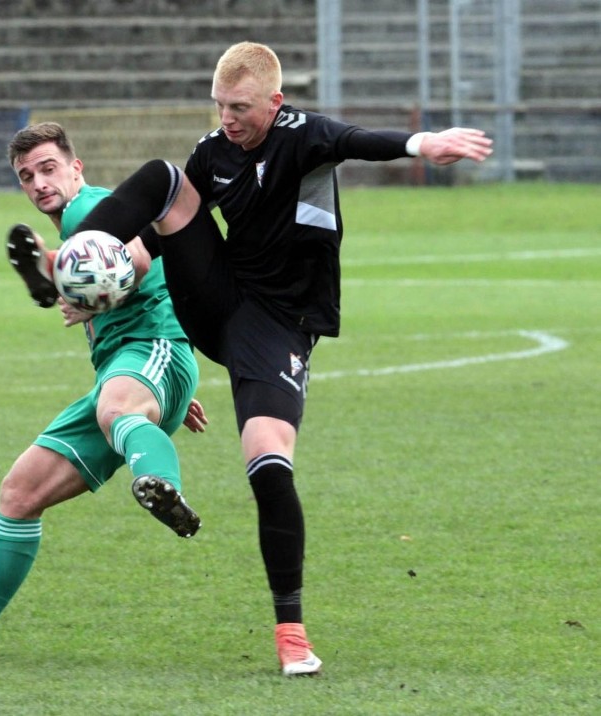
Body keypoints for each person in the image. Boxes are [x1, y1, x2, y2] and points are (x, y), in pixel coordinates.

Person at [67, 42, 494, 676]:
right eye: (219, 106)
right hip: (220, 303)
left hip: (281, 326)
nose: (227, 119)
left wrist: (421, 144)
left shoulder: (304, 136)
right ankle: (68, 263)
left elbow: (356, 138)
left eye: (239, 107)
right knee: (164, 179)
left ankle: (291, 632)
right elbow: (164, 233)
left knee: (268, 468)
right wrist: (103, 283)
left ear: (275, 101)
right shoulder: (214, 153)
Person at [0, 121, 207, 661]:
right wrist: (160, 395)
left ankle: (161, 482)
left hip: (151, 347)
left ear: (75, 167)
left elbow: (138, 255)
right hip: (134, 366)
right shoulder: (78, 222)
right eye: (27, 176)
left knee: (117, 408)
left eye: (48, 169)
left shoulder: (91, 209)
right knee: (19, 494)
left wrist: (102, 305)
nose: (39, 183)